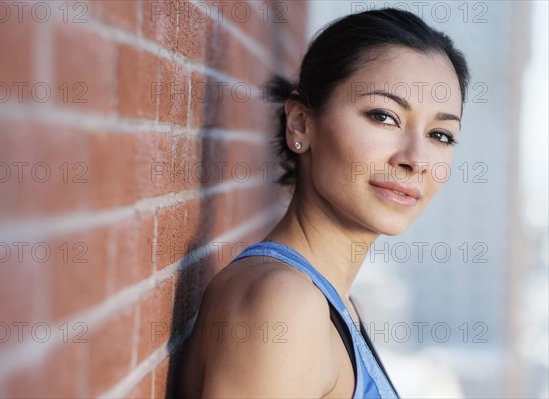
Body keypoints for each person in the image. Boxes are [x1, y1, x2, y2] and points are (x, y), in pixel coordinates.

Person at [180, 8, 470, 398]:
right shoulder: (285, 306)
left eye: (441, 135)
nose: (416, 159)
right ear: (300, 122)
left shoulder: (343, 309)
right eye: (384, 116)